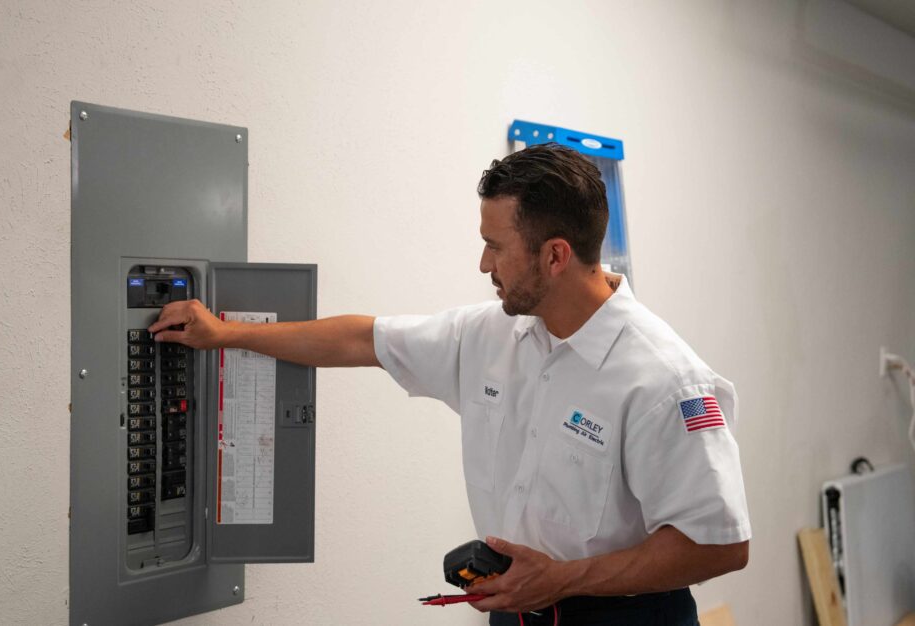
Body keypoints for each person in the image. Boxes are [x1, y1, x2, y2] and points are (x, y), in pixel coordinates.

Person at [149, 143, 750, 625]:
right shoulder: (490, 337)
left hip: (629, 619)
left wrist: (563, 578)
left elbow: (720, 545)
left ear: (555, 256)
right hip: (517, 612)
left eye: (495, 246)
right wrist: (223, 335)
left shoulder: (664, 381)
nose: (484, 265)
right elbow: (363, 340)